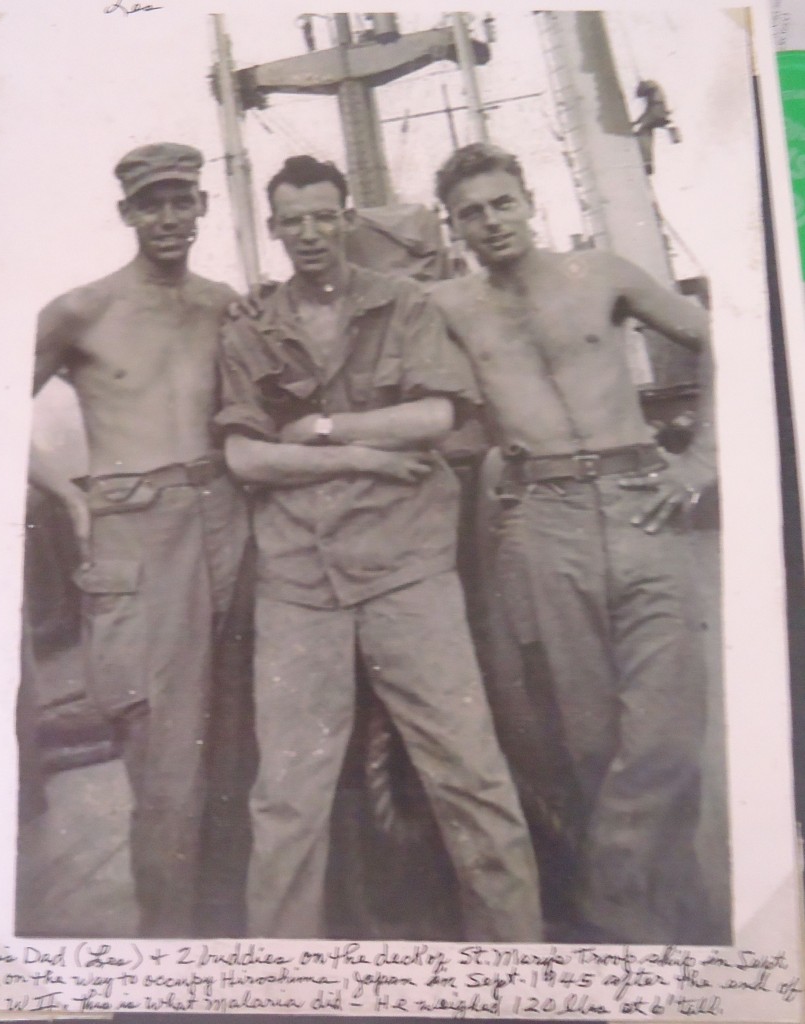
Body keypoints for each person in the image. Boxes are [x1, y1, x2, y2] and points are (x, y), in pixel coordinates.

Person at [217, 154, 542, 941]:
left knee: (468, 773)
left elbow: (434, 416)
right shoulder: (251, 329)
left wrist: (324, 430)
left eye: (324, 215)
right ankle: (282, 983)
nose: (310, 234)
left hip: (406, 572)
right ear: (274, 229)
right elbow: (245, 458)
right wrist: (362, 455)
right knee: (288, 796)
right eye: (292, 221)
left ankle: (521, 967)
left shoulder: (402, 304)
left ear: (345, 216)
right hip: (299, 583)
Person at [431, 143, 717, 944]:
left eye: (501, 203)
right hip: (543, 518)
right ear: (454, 230)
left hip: (638, 504)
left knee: (665, 736)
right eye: (471, 214)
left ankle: (609, 907)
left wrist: (699, 464)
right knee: (590, 744)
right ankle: (674, 924)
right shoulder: (450, 305)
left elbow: (731, 335)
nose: (490, 223)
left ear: (529, 200)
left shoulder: (601, 274)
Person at [30, 142, 249, 936]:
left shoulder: (225, 305)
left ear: (201, 207)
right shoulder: (80, 311)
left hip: (227, 526)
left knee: (235, 749)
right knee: (162, 763)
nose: (168, 217)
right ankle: (164, 962)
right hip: (136, 538)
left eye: (181, 200)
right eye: (151, 203)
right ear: (125, 212)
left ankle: (232, 953)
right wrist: (69, 496)